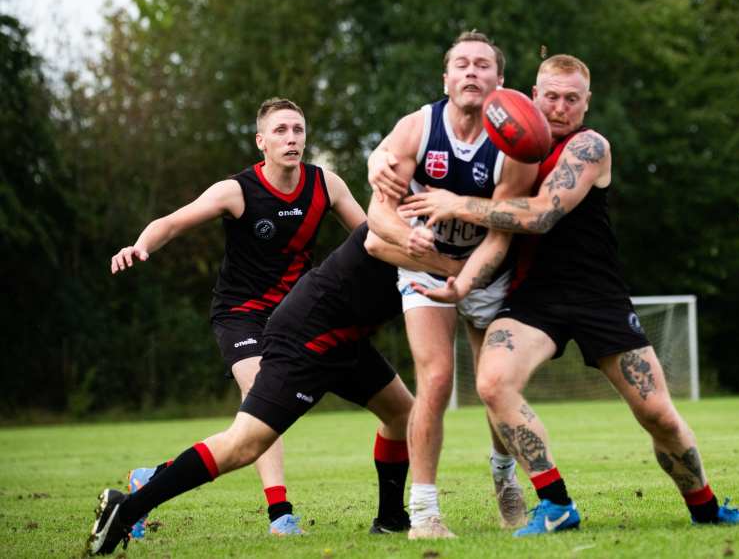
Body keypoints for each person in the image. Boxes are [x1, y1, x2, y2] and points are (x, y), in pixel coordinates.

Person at [399, 54, 739, 536]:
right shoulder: (508, 152)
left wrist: (458, 205)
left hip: (597, 296)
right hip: (533, 298)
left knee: (656, 413)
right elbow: (489, 223)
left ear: (587, 103)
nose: (560, 107)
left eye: (571, 99)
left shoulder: (589, 146)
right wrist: (461, 280)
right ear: (532, 97)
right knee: (492, 383)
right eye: (551, 97)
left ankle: (706, 508)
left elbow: (541, 215)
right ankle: (555, 504)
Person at [88, 222, 465, 555]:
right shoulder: (404, 205)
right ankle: (127, 509)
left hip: (346, 338)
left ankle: (390, 519)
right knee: (245, 443)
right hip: (309, 332)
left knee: (401, 413)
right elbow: (375, 241)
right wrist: (460, 269)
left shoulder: (457, 218)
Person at [109, 98, 366, 536]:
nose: (291, 138)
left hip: (295, 316)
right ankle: (281, 516)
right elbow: (171, 222)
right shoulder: (237, 190)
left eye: (298, 129)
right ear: (261, 141)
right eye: (280, 130)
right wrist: (141, 245)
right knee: (264, 394)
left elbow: (370, 238)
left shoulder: (327, 185)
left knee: (257, 424)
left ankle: (151, 479)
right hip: (240, 315)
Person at [364, 31, 537, 538]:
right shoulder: (417, 127)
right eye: (462, 64)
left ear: (500, 81)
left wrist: (463, 278)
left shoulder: (515, 145)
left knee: (496, 386)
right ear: (446, 78)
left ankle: (504, 476)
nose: (472, 72)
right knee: (436, 378)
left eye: (483, 65)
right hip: (424, 264)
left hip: (486, 269)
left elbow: (501, 236)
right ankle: (424, 513)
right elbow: (378, 212)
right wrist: (408, 238)